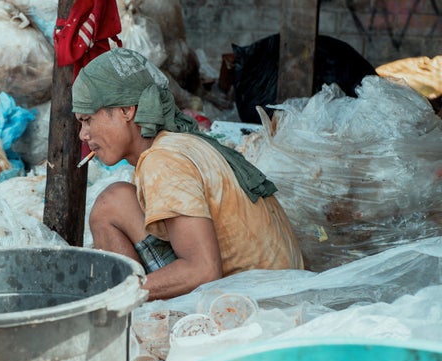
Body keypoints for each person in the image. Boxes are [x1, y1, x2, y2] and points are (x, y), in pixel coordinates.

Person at [72, 48, 304, 301]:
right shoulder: (177, 145)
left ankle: (127, 317)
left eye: (88, 120)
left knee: (110, 206)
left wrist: (114, 297)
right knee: (119, 199)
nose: (83, 135)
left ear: (127, 111)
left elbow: (203, 270)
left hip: (256, 302)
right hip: (276, 288)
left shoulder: (163, 160)